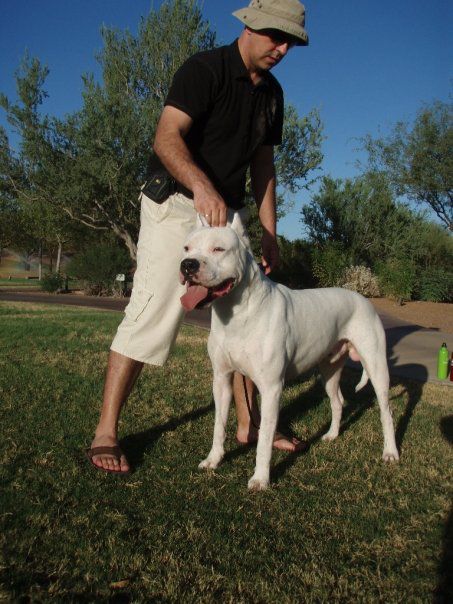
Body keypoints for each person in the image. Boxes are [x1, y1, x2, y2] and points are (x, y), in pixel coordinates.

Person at [87, 0, 310, 474]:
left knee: (250, 311)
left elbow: (263, 166)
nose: (284, 48)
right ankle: (106, 430)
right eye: (277, 36)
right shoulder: (204, 70)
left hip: (228, 216)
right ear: (250, 25)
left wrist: (269, 233)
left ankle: (250, 424)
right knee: (152, 311)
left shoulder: (273, 95)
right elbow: (166, 137)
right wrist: (203, 184)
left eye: (291, 41)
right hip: (177, 202)